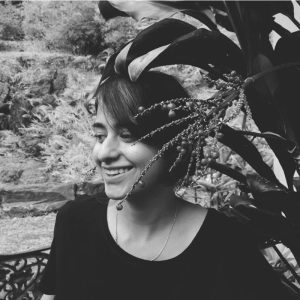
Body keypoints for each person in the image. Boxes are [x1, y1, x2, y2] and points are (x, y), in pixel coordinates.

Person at [39, 71, 295, 300]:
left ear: (172, 142)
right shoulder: (76, 221)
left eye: (127, 136)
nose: (103, 153)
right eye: (100, 136)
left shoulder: (223, 243)